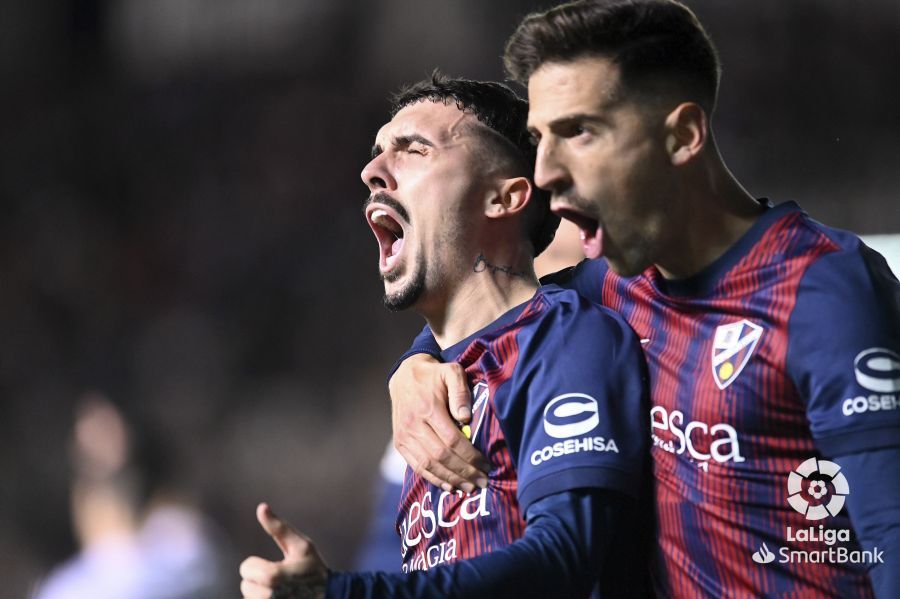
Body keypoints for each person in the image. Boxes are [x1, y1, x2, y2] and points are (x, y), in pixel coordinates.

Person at [388, 1, 900, 597]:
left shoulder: (824, 290)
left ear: (682, 135)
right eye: (539, 139)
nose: (547, 171)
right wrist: (415, 367)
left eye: (579, 131)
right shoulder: (606, 289)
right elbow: (490, 310)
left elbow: (889, 532)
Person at [238, 74, 649, 598]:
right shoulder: (427, 397)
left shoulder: (567, 338)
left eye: (413, 149)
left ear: (504, 197)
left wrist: (343, 594)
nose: (371, 172)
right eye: (377, 151)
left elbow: (565, 557)